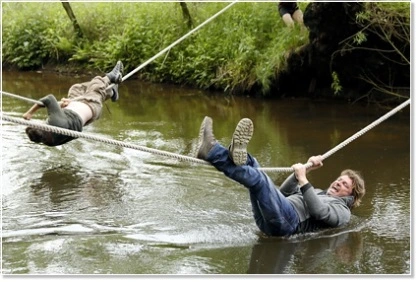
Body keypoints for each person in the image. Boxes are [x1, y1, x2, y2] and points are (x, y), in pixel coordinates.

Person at [196, 116, 365, 237]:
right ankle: (236, 154)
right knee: (255, 166)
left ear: (351, 195)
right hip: (272, 217)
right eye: (339, 180)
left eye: (344, 184)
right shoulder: (319, 193)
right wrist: (305, 171)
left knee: (259, 180)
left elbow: (320, 212)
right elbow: (283, 193)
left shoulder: (343, 212)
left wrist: (304, 179)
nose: (338, 183)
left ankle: (212, 151)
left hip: (288, 223)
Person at [23, 61, 124, 147]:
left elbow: (74, 132)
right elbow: (48, 99)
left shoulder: (50, 142)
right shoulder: (54, 122)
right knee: (96, 84)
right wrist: (30, 113)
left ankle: (111, 92)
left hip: (85, 110)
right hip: (91, 104)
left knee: (76, 88)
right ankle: (111, 77)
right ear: (42, 127)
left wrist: (65, 105)